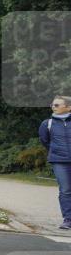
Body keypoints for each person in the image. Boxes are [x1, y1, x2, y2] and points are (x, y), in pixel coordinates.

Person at [40, 95, 71, 230]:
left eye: (57, 105)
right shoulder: (47, 123)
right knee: (65, 190)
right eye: (53, 105)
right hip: (59, 161)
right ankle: (68, 219)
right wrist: (56, 151)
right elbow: (45, 141)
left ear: (68, 107)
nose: (53, 107)